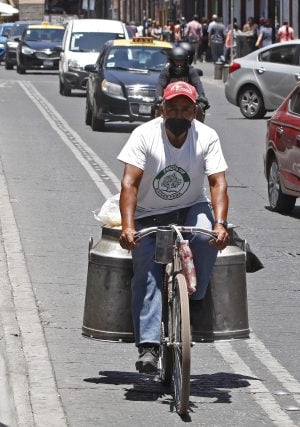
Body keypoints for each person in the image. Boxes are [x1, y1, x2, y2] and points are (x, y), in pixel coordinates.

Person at [118, 81, 229, 374]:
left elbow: (218, 182)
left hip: (190, 207)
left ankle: (196, 300)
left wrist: (219, 224)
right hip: (148, 212)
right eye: (173, 108)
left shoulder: (207, 137)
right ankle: (149, 346)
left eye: (185, 109)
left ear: (194, 112)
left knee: (206, 240)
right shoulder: (143, 135)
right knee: (147, 268)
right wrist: (128, 227)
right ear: (162, 109)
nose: (179, 113)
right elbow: (129, 183)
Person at [154, 46, 208, 112]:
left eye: (181, 61)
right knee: (158, 110)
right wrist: (158, 96)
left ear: (185, 61)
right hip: (170, 102)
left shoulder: (191, 70)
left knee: (200, 110)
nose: (179, 64)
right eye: (177, 61)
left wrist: (202, 95)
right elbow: (160, 84)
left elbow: (197, 83)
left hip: (187, 101)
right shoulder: (166, 71)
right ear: (172, 61)